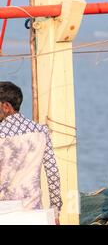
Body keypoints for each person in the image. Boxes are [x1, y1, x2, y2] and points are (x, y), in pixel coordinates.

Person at [0, 81, 62, 223]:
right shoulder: (41, 131)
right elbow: (53, 173)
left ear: (6, 106)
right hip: (34, 212)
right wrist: (55, 210)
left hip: (4, 212)